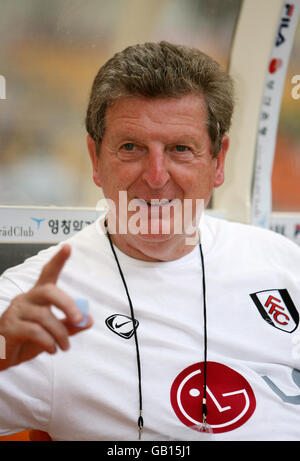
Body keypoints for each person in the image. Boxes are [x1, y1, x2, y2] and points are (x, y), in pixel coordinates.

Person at [0, 41, 299, 441]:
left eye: (180, 149)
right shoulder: (31, 302)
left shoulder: (281, 260)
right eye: (131, 148)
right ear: (95, 158)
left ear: (218, 161)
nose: (156, 177)